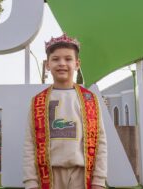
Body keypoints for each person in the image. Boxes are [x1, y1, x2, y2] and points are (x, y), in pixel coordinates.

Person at [23, 33, 107, 189]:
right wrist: (31, 182)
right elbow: (30, 143)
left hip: (81, 175)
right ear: (47, 64)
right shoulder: (38, 102)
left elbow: (100, 141)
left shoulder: (90, 100)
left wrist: (99, 181)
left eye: (68, 59)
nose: (62, 63)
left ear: (77, 64)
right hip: (49, 175)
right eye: (55, 59)